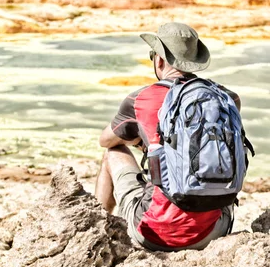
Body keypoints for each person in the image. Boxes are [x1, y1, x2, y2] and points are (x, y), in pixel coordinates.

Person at [95, 22, 242, 252]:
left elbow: (106, 140)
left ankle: (95, 233)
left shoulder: (141, 99)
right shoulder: (227, 98)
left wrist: (140, 141)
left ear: (159, 60)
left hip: (154, 232)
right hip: (215, 231)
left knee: (112, 153)